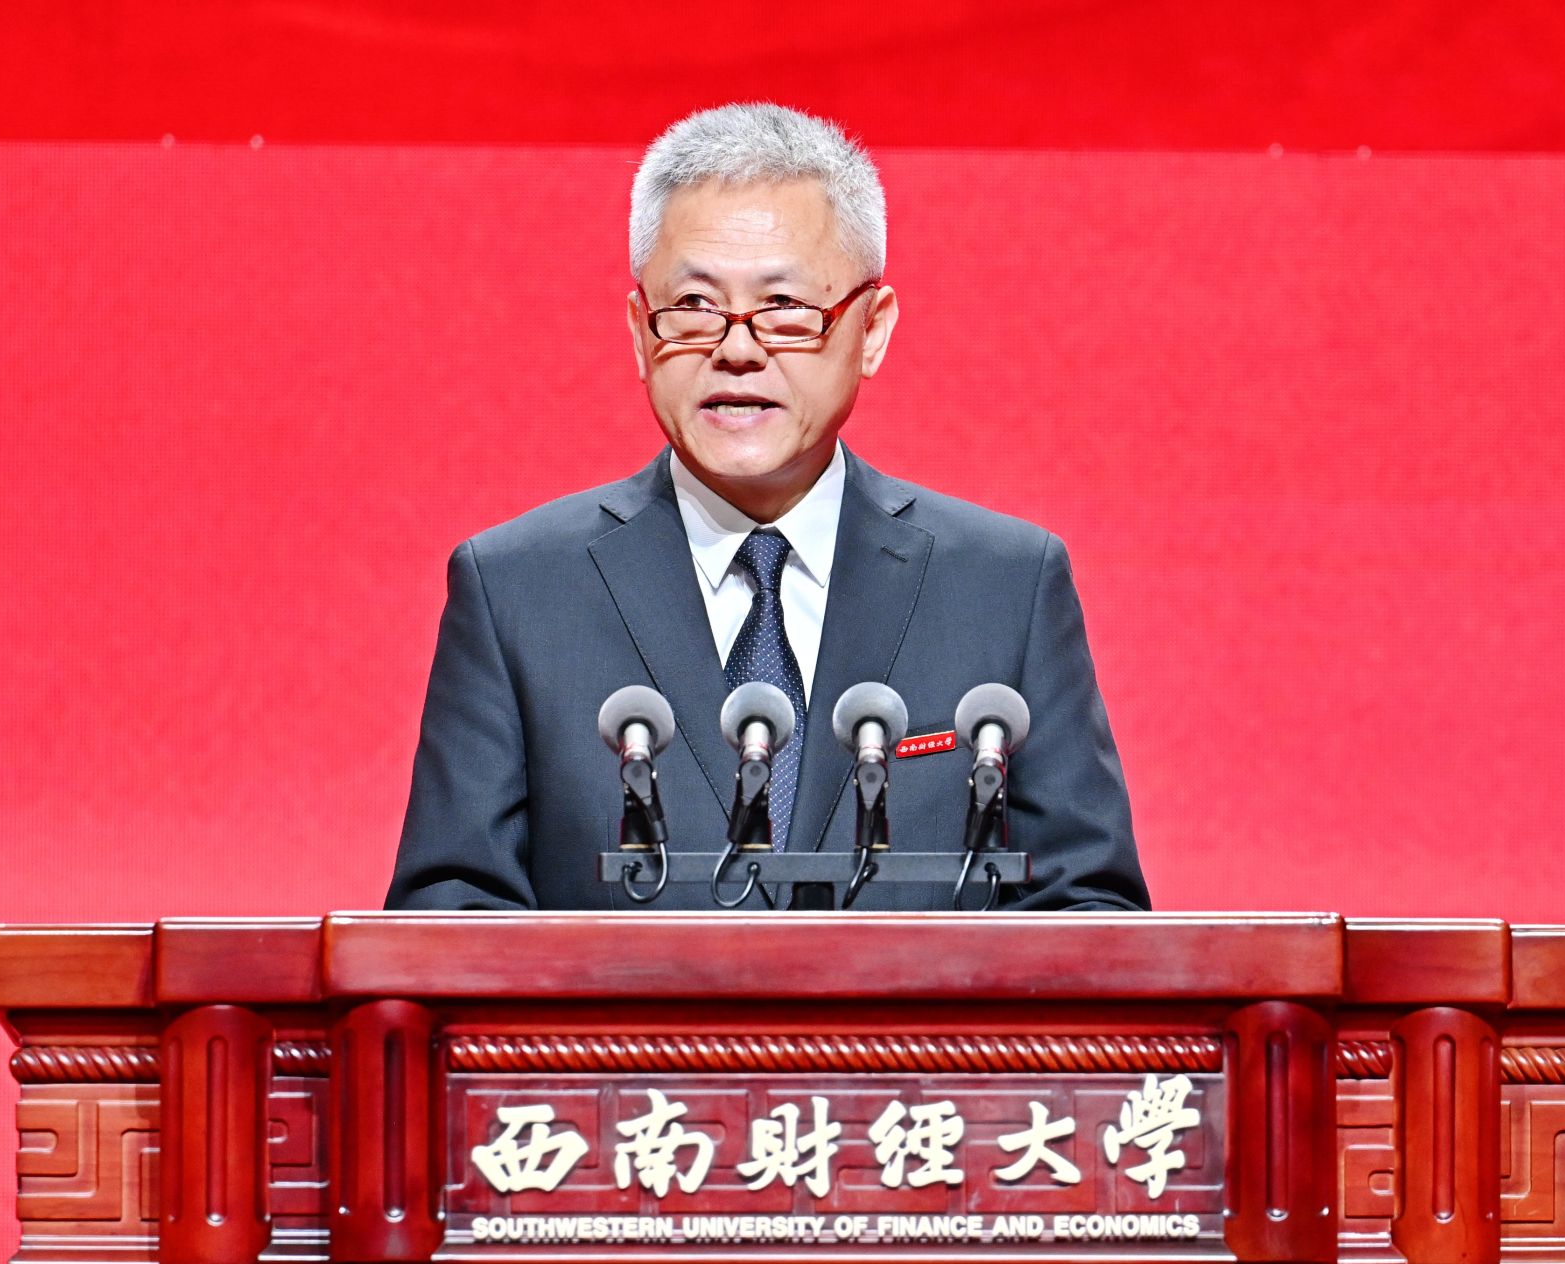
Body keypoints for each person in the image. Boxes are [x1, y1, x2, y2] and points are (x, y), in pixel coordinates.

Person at [387, 103, 1147, 912]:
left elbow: (1090, 915)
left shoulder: (1004, 588)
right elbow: (445, 923)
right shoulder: (517, 592)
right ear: (641, 332)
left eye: (784, 308)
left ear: (872, 330)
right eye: (694, 307)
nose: (738, 348)